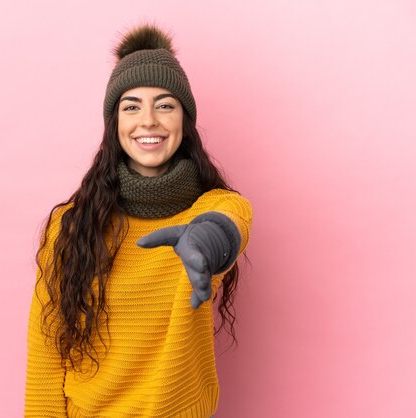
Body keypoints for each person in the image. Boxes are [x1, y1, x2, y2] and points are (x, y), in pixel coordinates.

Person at [24, 23, 253, 418]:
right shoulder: (71, 225)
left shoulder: (215, 209)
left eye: (165, 105)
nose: (148, 120)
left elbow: (229, 224)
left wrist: (205, 242)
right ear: (115, 122)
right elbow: (47, 354)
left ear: (185, 120)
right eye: (132, 106)